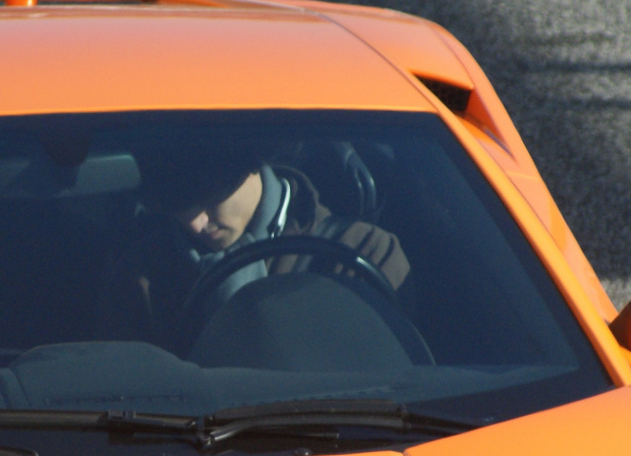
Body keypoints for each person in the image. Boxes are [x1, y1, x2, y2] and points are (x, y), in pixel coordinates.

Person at [99, 146, 411, 348]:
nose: (195, 223)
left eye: (207, 197)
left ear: (250, 165)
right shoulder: (141, 272)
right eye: (177, 206)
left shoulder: (363, 252)